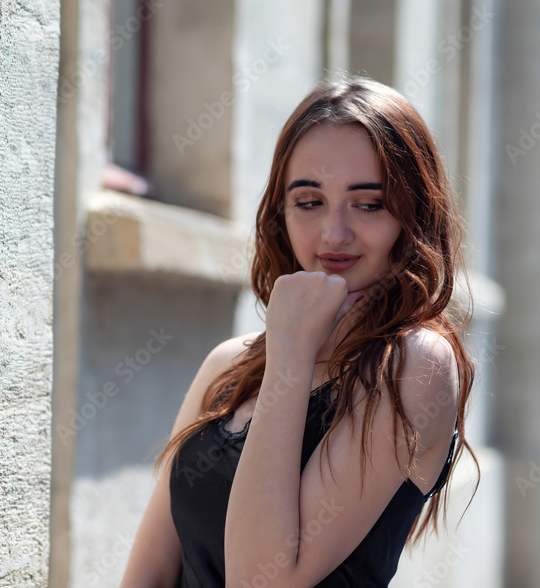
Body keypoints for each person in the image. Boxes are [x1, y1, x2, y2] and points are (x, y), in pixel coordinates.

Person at [118, 75, 478, 587]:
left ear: (412, 216)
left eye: (369, 203)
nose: (335, 233)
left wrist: (290, 355)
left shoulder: (414, 364)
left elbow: (261, 580)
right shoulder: (228, 366)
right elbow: (149, 571)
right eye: (309, 201)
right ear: (280, 212)